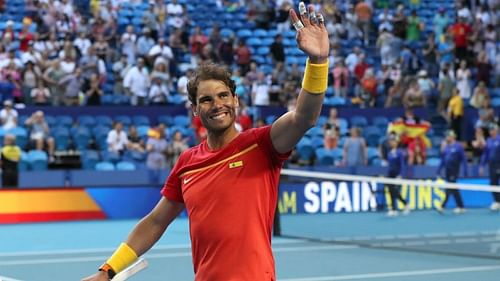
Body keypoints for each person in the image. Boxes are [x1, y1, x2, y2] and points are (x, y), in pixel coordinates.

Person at [81, 4, 329, 281]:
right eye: (206, 100)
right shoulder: (187, 162)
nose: (217, 105)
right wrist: (108, 270)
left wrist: (317, 62)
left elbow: (304, 118)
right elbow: (155, 221)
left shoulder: (261, 145)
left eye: (224, 96)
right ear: (195, 109)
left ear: (236, 101)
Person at [436, 130, 468, 214]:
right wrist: (439, 170)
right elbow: (443, 160)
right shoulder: (446, 147)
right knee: (454, 189)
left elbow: (464, 159)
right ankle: (461, 206)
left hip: (454, 170)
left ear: (452, 136)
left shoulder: (458, 146)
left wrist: (465, 170)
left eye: (447, 136)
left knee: (450, 188)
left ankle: (442, 206)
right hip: (448, 170)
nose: (446, 138)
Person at [385, 134, 410, 216]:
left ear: (397, 142)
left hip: (397, 175)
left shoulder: (400, 152)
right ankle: (393, 209)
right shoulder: (389, 153)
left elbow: (402, 164)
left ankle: (405, 204)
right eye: (391, 141)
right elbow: (389, 165)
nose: (392, 143)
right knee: (390, 191)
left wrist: (400, 175)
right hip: (390, 175)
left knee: (395, 191)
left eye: (393, 141)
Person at [479, 124, 500, 211]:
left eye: (492, 130)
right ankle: (497, 201)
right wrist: (481, 166)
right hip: (492, 166)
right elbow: (485, 154)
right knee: (493, 184)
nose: (491, 132)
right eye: (490, 130)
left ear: (497, 130)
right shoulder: (489, 140)